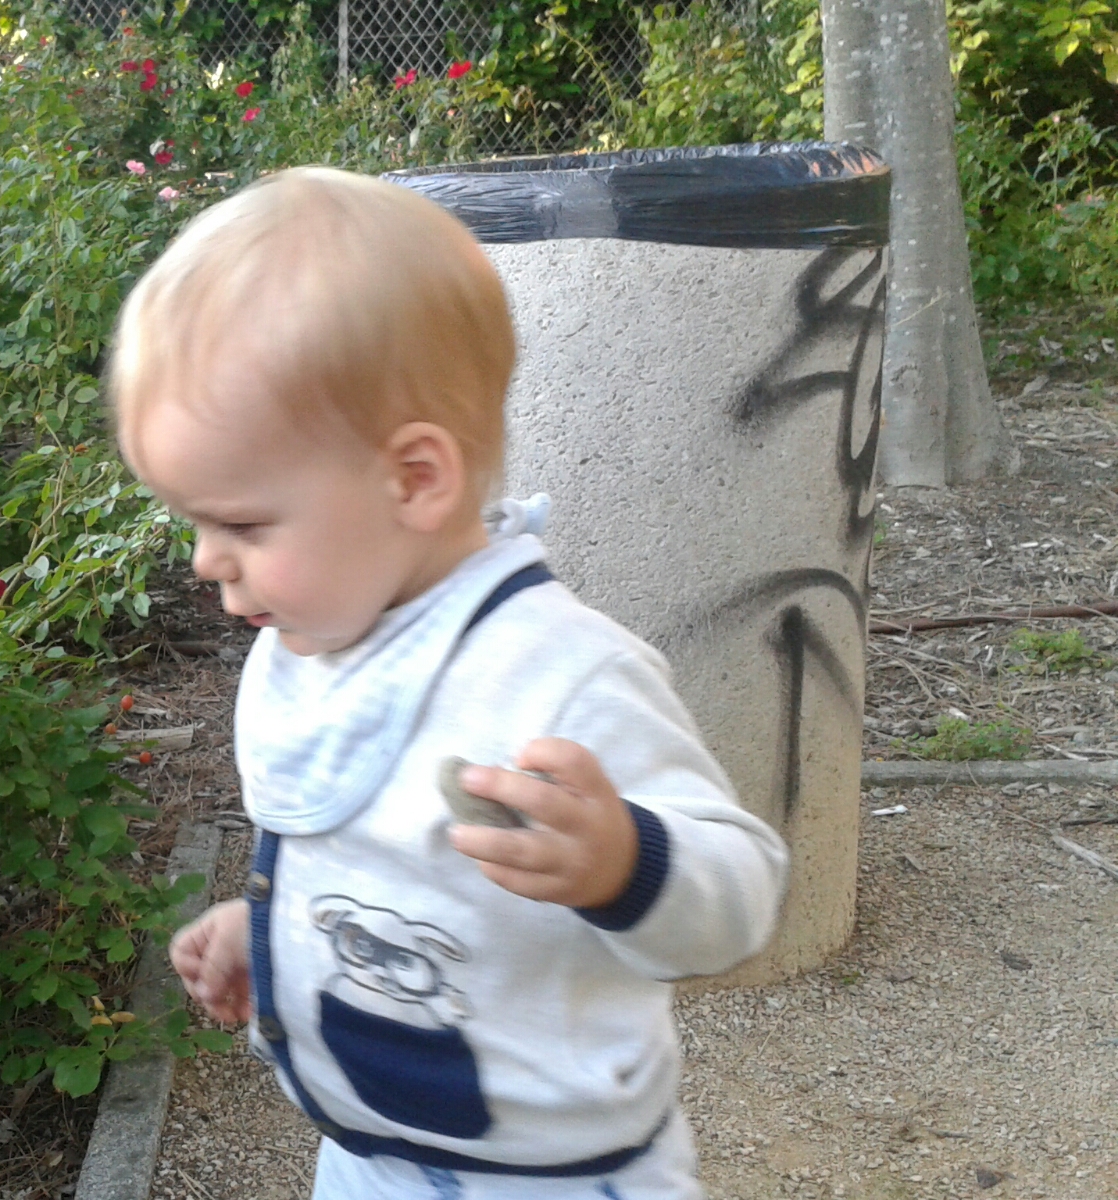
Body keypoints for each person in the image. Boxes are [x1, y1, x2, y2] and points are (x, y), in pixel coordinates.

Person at [106, 166, 789, 1199]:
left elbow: (742, 892)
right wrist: (280, 937)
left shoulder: (562, 678)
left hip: (554, 1180)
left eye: (241, 523)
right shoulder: (323, 639)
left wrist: (625, 861)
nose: (205, 560)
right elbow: (379, 864)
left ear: (414, 479)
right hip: (365, 1157)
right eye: (193, 522)